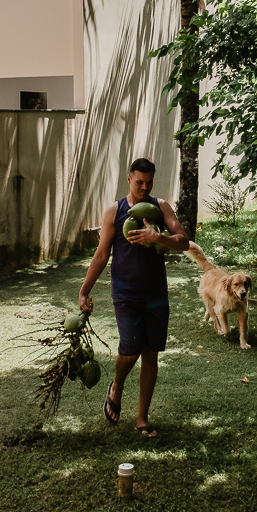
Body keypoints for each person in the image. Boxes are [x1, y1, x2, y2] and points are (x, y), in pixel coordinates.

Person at [78, 157, 189, 437]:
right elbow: (102, 254)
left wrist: (158, 238)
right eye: (139, 182)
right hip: (126, 294)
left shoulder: (160, 207)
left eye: (148, 182)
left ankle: (142, 418)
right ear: (129, 179)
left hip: (155, 294)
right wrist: (84, 291)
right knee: (129, 352)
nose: (144, 187)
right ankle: (116, 386)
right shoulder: (114, 211)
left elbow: (184, 241)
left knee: (151, 354)